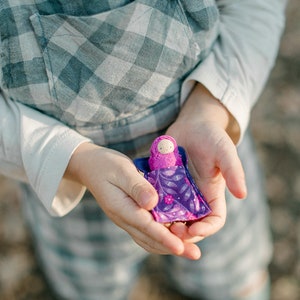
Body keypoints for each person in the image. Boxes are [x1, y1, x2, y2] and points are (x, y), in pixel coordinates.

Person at [0, 0, 287, 299]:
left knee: (232, 273)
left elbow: (256, 7)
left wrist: (211, 107)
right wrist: (74, 159)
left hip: (206, 164)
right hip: (72, 186)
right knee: (92, 288)